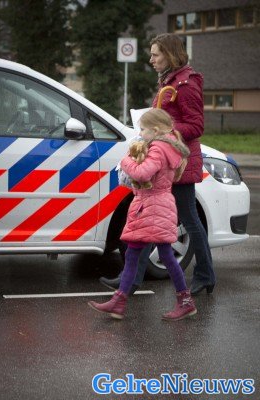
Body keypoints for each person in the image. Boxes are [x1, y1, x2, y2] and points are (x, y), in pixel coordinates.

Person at [100, 33, 215, 296]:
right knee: (149, 219)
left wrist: (162, 132)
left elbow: (196, 126)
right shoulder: (169, 81)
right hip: (165, 160)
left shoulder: (185, 84)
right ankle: (131, 279)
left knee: (189, 219)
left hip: (179, 163)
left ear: (170, 55)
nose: (151, 59)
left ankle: (205, 275)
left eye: (155, 54)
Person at [89, 108, 196, 321]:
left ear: (155, 130)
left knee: (158, 255)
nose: (140, 133)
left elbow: (142, 173)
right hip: (155, 205)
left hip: (152, 206)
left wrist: (126, 160)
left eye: (143, 129)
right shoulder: (168, 146)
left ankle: (184, 302)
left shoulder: (158, 148)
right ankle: (120, 302)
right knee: (138, 254)